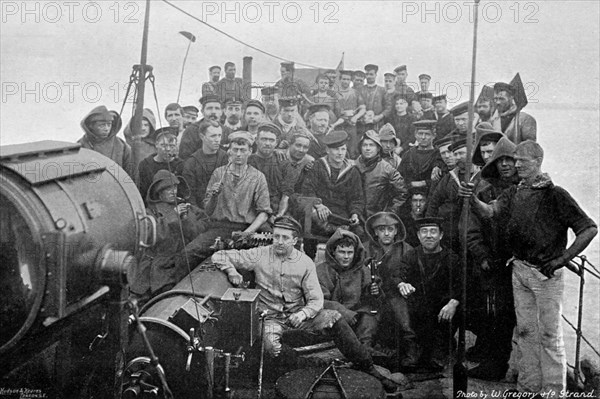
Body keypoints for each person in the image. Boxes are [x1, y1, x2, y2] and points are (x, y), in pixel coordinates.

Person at [466, 140, 597, 396]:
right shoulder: (515, 192)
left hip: (546, 275)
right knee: (526, 332)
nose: (515, 165)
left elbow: (588, 228)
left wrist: (562, 258)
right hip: (520, 270)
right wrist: (470, 197)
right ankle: (528, 388)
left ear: (537, 162)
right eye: (514, 160)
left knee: (549, 336)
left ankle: (552, 391)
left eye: (521, 161)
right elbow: (491, 213)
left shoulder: (555, 194)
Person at [211, 216, 399, 393]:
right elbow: (219, 256)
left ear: (294, 240)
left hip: (299, 316)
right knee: (271, 347)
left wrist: (302, 314)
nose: (279, 241)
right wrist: (231, 271)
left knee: (335, 318)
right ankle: (309, 367)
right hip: (270, 319)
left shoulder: (305, 263)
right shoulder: (259, 254)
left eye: (285, 237)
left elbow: (316, 300)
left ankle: (368, 367)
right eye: (276, 236)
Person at [465, 136, 520, 380]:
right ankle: (492, 362)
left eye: (510, 159)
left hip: (518, 262)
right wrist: (482, 255)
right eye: (500, 160)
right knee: (492, 314)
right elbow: (472, 228)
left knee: (509, 317)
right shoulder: (485, 191)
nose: (505, 165)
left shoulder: (526, 190)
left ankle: (501, 365)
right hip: (492, 261)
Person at [179, 131, 271, 266]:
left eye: (243, 150)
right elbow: (208, 210)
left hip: (246, 228)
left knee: (258, 261)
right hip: (219, 227)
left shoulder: (258, 177)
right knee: (188, 254)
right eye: (235, 150)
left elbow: (264, 213)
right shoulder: (219, 173)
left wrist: (247, 233)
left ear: (250, 151)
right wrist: (214, 196)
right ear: (229, 151)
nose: (239, 154)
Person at [394, 217, 461, 370]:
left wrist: (453, 302)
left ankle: (443, 346)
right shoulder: (411, 255)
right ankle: (416, 347)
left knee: (436, 359)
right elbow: (398, 273)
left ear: (441, 235)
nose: (428, 235)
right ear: (418, 235)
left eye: (433, 231)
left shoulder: (451, 258)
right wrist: (402, 284)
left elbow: (462, 284)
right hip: (420, 309)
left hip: (443, 310)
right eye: (424, 232)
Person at [129, 170, 206, 300]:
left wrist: (187, 219)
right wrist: (172, 217)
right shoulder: (149, 212)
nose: (173, 191)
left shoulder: (187, 207)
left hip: (180, 264)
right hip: (155, 266)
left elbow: (199, 232)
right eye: (167, 188)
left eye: (174, 187)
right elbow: (149, 236)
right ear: (158, 192)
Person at [317, 229, 383, 353]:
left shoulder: (362, 270)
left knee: (370, 315)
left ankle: (365, 347)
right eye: (342, 252)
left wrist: (373, 291)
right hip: (334, 319)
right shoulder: (323, 270)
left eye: (350, 252)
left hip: (357, 318)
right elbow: (319, 300)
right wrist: (343, 312)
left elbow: (371, 298)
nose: (346, 257)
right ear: (333, 252)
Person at [364, 212, 416, 367]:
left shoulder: (406, 249)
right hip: (373, 294)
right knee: (369, 321)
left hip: (397, 294)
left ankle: (411, 350)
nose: (386, 233)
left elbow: (413, 276)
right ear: (375, 232)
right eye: (381, 229)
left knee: (404, 320)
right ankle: (367, 350)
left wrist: (405, 285)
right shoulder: (366, 249)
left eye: (390, 229)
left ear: (396, 231)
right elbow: (359, 272)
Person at [301, 130, 364, 235]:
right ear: (327, 150)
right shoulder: (317, 166)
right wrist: (318, 205)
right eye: (336, 149)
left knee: (359, 233)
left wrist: (355, 214)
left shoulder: (353, 171)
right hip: (321, 213)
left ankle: (340, 231)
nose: (340, 153)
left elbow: (357, 198)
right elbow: (308, 189)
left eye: (343, 149)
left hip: (341, 216)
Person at [426, 139, 478, 254]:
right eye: (455, 154)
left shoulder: (480, 175)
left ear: (471, 153)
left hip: (474, 234)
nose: (458, 157)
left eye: (461, 153)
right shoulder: (449, 178)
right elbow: (434, 202)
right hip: (451, 233)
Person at [355, 130, 407, 217]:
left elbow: (402, 193)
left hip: (378, 218)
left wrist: (389, 214)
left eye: (371, 145)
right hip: (356, 217)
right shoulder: (353, 166)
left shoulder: (387, 169)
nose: (368, 148)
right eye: (364, 145)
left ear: (378, 148)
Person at [248, 122, 293, 219]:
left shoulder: (283, 163)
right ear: (256, 140)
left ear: (276, 142)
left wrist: (279, 215)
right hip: (252, 210)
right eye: (264, 139)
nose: (267, 143)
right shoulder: (248, 161)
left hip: (276, 209)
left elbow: (285, 195)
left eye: (271, 140)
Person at [78, 105, 135, 181]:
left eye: (109, 124)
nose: (106, 129)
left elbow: (130, 173)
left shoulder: (121, 145)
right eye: (102, 125)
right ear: (91, 126)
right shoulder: (82, 145)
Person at [182, 120, 229, 208]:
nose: (217, 140)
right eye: (213, 136)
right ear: (202, 136)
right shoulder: (192, 162)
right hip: (200, 211)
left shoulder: (227, 159)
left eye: (219, 135)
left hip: (224, 210)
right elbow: (189, 194)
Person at [137, 130, 185, 203]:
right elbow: (141, 192)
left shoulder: (180, 165)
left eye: (172, 146)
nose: (168, 149)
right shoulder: (145, 165)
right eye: (164, 145)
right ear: (156, 144)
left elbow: (183, 192)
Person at [399, 120, 444, 191]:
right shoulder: (408, 154)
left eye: (427, 134)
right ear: (415, 135)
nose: (423, 137)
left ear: (434, 136)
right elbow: (400, 177)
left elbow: (443, 180)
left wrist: (424, 183)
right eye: (420, 134)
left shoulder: (439, 155)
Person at [330, 70, 366, 159]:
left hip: (351, 127)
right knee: (338, 151)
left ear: (350, 80)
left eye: (348, 79)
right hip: (338, 126)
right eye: (344, 79)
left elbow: (363, 108)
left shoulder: (355, 93)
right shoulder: (334, 94)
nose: (346, 81)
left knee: (352, 151)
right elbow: (330, 111)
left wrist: (356, 117)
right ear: (340, 79)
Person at [179, 94, 225, 160]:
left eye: (217, 108)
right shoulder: (191, 131)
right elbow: (185, 157)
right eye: (209, 108)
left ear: (221, 112)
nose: (213, 112)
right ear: (202, 111)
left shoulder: (227, 131)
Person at [358, 64, 387, 134]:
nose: (369, 76)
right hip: (363, 124)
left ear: (376, 75)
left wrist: (379, 117)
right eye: (367, 74)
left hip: (378, 124)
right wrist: (361, 118)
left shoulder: (382, 90)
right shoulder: (360, 90)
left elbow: (388, 107)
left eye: (371, 74)